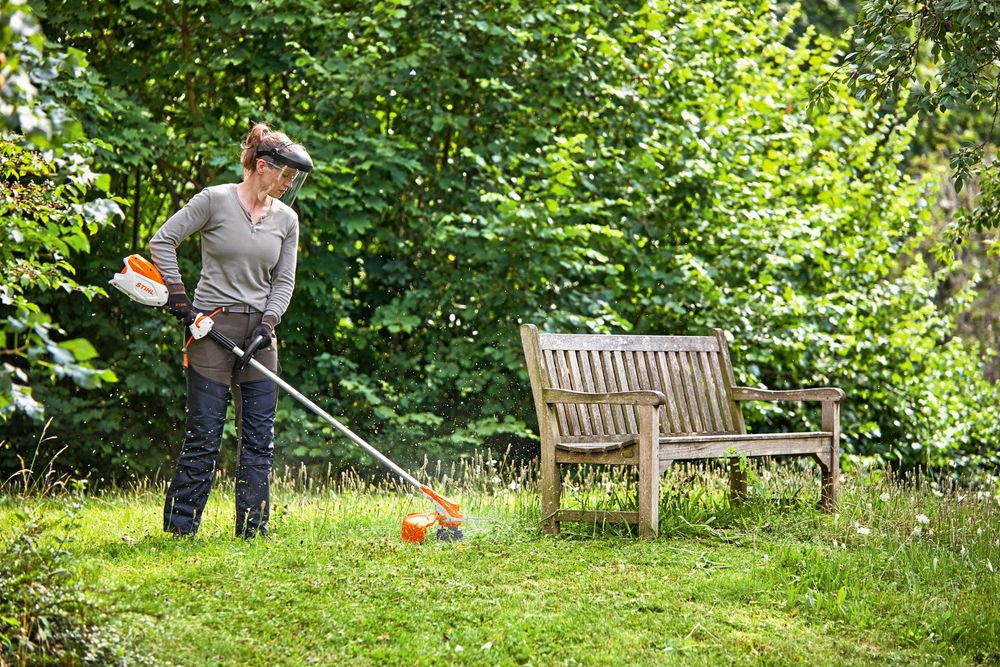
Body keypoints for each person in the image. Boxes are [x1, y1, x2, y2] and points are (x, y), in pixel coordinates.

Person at [150, 123, 312, 538]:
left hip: (260, 334)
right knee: (204, 432)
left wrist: (269, 323)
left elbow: (284, 282)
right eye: (286, 175)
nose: (289, 184)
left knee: (259, 438)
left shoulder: (287, 220)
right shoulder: (214, 201)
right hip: (209, 327)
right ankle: (180, 529)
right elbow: (162, 241)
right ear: (262, 166)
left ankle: (253, 531)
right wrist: (180, 298)